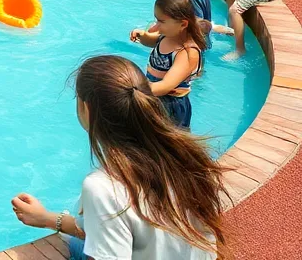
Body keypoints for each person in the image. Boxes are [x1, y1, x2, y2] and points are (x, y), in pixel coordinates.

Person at [11, 55, 224, 260]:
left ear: (87, 108)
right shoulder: (190, 156)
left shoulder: (103, 187)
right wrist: (47, 218)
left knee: (76, 244)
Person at [129, 0, 204, 129]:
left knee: (173, 140)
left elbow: (165, 86)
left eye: (161, 22)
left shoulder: (187, 52)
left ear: (183, 24)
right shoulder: (167, 35)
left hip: (171, 105)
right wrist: (142, 35)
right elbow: (151, 41)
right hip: (152, 95)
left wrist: (133, 88)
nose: (156, 26)